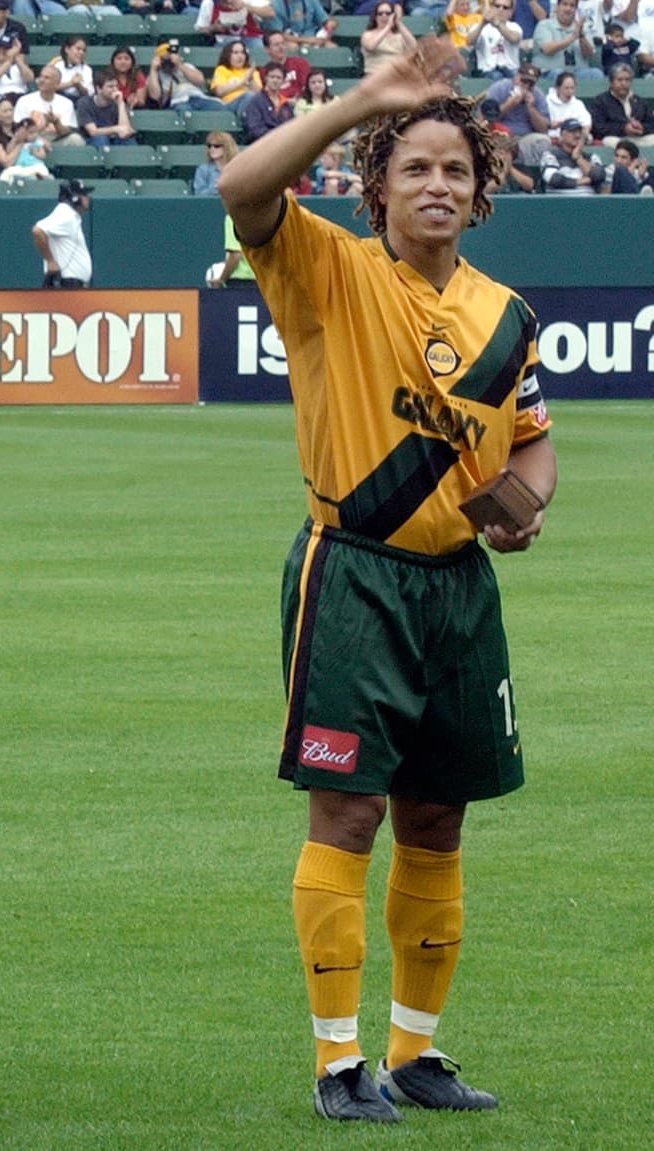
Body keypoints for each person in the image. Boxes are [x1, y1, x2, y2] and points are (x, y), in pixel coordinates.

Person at [219, 38, 556, 1126]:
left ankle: (417, 1051)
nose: (438, 185)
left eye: (456, 168)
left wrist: (528, 504)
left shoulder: (507, 316)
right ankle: (336, 1060)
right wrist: (364, 99)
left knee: (439, 818)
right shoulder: (327, 267)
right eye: (414, 166)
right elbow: (240, 186)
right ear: (377, 185)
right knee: (349, 809)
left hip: (458, 586)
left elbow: (535, 442)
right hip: (353, 573)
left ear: (481, 188)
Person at [33, 177, 92, 286]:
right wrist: (50, 261)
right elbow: (38, 231)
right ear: (75, 198)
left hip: (71, 283)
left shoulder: (70, 214)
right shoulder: (65, 213)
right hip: (65, 283)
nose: (87, 198)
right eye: (84, 195)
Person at [13, 62, 81, 145]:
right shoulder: (24, 101)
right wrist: (44, 123)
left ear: (57, 84)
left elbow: (66, 132)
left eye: (47, 78)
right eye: (41, 76)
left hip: (57, 140)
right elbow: (20, 132)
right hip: (32, 141)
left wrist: (56, 122)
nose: (41, 80)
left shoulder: (66, 103)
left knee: (76, 139)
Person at [588, 63, 654, 145]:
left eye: (627, 80)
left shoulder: (640, 102)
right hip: (616, 138)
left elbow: (651, 124)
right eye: (620, 80)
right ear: (611, 82)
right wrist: (624, 128)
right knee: (609, 141)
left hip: (638, 138)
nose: (623, 83)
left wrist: (642, 127)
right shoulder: (600, 101)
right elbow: (598, 128)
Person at [533, 0, 603, 77]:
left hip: (577, 73)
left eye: (572, 6)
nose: (568, 8)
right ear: (557, 7)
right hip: (550, 73)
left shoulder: (581, 27)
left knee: (596, 74)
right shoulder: (544, 25)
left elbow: (589, 54)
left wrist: (581, 36)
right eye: (564, 4)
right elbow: (548, 49)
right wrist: (572, 37)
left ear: (576, 9)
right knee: (559, 74)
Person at [541, 114, 607, 188]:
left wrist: (578, 158)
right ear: (562, 135)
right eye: (572, 131)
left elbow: (599, 176)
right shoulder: (550, 155)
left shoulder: (591, 157)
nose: (577, 135)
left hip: (587, 198)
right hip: (560, 198)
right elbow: (553, 179)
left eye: (579, 132)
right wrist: (581, 181)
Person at [76, 69, 133, 147]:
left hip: (114, 140)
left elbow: (125, 132)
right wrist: (115, 129)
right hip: (92, 141)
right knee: (101, 139)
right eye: (110, 86)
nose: (115, 89)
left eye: (116, 86)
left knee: (129, 143)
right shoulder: (85, 103)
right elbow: (93, 132)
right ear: (99, 89)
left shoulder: (119, 102)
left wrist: (120, 104)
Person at [244, 60, 296, 140]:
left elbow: (292, 128)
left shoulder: (286, 105)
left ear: (283, 81)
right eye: (272, 77)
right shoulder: (256, 101)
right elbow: (254, 129)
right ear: (266, 78)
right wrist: (275, 135)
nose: (275, 80)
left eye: (279, 78)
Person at [360, 3, 418, 74]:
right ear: (375, 17)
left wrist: (398, 23)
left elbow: (414, 47)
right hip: (375, 76)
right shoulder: (368, 35)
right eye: (380, 13)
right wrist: (388, 27)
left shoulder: (399, 36)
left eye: (388, 13)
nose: (384, 16)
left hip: (396, 76)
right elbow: (371, 46)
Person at [472, 0, 523, 79]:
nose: (500, 9)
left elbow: (514, 38)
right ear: (492, 8)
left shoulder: (514, 27)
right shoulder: (480, 27)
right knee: (497, 76)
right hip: (488, 72)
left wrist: (498, 24)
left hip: (511, 71)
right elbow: (469, 42)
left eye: (505, 7)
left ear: (510, 12)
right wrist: (482, 23)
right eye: (497, 6)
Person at [205, 214, 258, 287]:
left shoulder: (233, 218)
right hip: (261, 281)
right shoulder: (261, 217)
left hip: (240, 282)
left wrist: (221, 280)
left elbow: (236, 255)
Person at [211, 40, 261, 114]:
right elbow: (219, 91)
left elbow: (260, 94)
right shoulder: (222, 69)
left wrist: (250, 80)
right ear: (228, 55)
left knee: (251, 97)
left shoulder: (252, 72)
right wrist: (242, 81)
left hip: (252, 106)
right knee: (248, 95)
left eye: (242, 52)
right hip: (229, 106)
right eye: (235, 53)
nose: (240, 56)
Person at [192, 129, 238, 194]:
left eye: (217, 146)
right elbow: (199, 194)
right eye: (209, 146)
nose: (212, 149)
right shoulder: (203, 169)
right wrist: (215, 188)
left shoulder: (237, 168)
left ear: (227, 147)